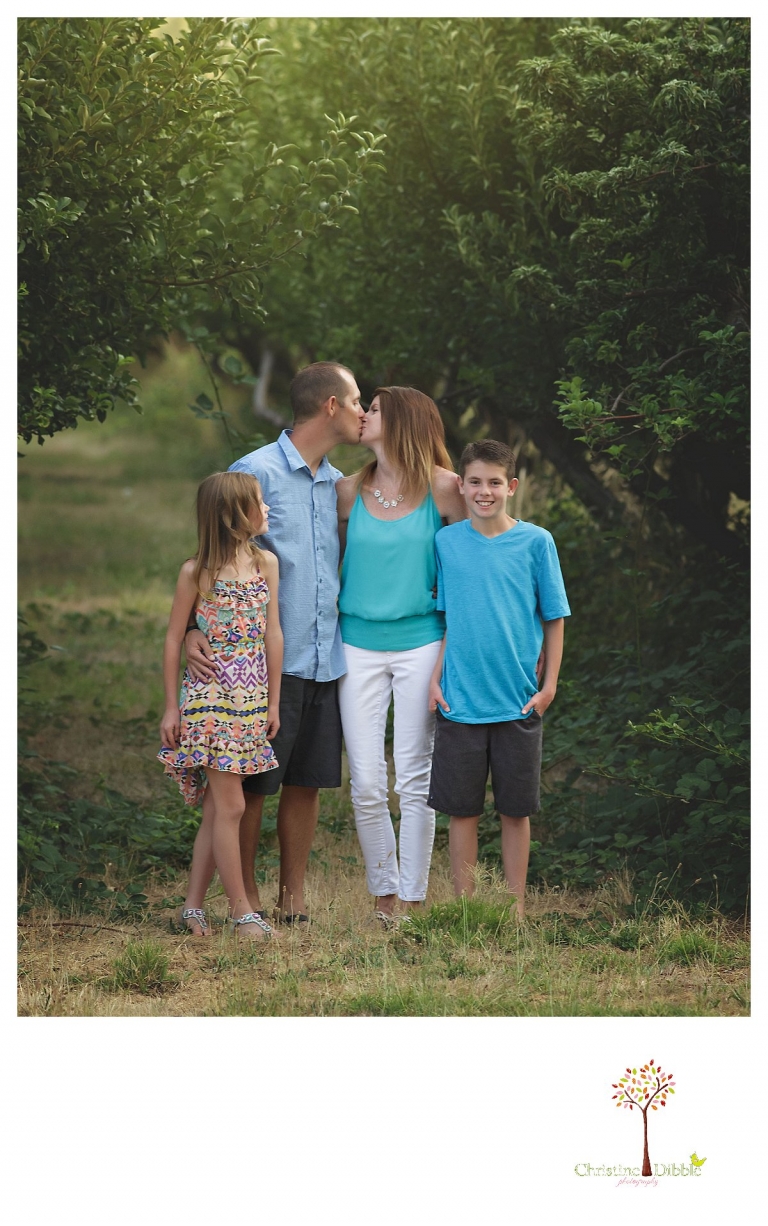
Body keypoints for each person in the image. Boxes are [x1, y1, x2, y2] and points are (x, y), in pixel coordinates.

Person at [184, 362, 365, 924]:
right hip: (259, 665)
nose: (364, 411)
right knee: (255, 786)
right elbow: (216, 552)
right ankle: (247, 904)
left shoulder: (335, 483)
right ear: (330, 405)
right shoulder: (255, 471)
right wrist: (194, 625)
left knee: (307, 781)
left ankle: (293, 898)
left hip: (323, 654)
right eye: (357, 400)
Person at [336, 387, 466, 926]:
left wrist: (454, 654)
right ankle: (382, 894)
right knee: (365, 781)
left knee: (414, 776)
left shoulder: (446, 490)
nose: (363, 414)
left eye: (376, 409)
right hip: (356, 645)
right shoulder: (345, 492)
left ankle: (410, 901)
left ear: (407, 421)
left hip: (423, 643)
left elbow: (468, 575)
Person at [427, 438, 571, 918]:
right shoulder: (447, 542)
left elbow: (554, 617)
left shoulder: (536, 542)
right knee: (461, 810)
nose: (483, 491)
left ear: (511, 487)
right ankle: (465, 909)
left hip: (518, 700)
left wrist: (548, 687)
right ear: (461, 486)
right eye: (474, 482)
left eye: (493, 483)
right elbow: (448, 621)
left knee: (515, 810)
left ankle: (514, 908)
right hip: (460, 699)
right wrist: (435, 678)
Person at [158, 471, 283, 941]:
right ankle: (241, 912)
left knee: (217, 808)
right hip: (209, 700)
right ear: (235, 517)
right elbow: (174, 638)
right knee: (231, 805)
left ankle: (192, 907)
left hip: (250, 701)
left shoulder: (266, 563)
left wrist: (274, 701)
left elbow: (273, 633)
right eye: (260, 503)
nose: (267, 509)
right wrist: (172, 707)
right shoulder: (196, 572)